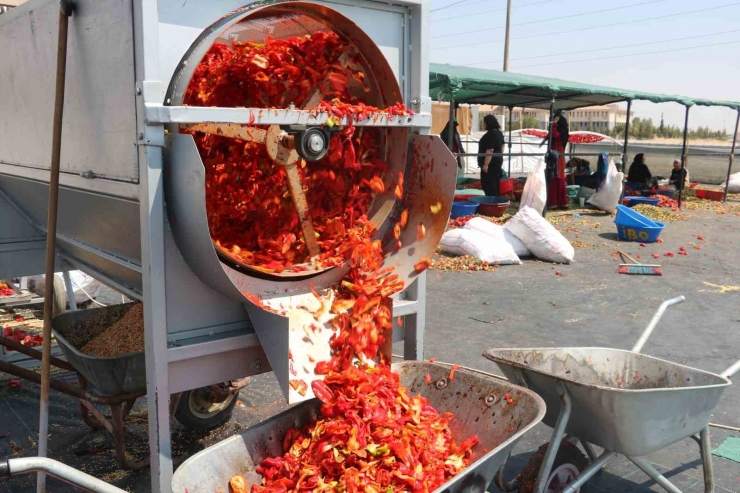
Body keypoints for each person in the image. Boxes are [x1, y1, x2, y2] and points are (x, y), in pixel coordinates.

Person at [540, 109, 570, 208]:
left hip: (557, 156)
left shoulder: (561, 131)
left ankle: (556, 202)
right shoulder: (562, 130)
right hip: (556, 156)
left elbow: (554, 134)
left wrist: (553, 124)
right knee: (555, 177)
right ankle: (558, 202)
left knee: (555, 176)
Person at [478, 114, 505, 196]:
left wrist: (486, 165)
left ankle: (491, 202)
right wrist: (500, 155)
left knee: (489, 185)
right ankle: (495, 201)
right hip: (497, 162)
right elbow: (502, 146)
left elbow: (490, 150)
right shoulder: (499, 133)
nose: (483, 125)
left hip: (490, 164)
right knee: (495, 184)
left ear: (488, 123)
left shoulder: (490, 135)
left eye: (484, 123)